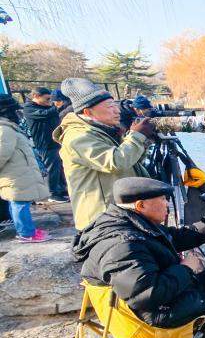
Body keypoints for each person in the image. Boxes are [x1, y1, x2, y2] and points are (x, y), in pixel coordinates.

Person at [73, 177, 205, 338]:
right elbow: (150, 293)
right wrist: (187, 268)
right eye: (163, 200)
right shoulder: (122, 244)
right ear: (141, 205)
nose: (168, 204)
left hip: (151, 303)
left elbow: (175, 237)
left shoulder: (129, 221)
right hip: (150, 319)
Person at [54, 78, 157, 230]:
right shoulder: (78, 136)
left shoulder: (102, 129)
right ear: (87, 111)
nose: (117, 111)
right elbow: (116, 162)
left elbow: (131, 162)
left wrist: (145, 140)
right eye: (110, 107)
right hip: (101, 218)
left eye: (116, 105)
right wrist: (136, 136)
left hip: (116, 212)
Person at [0, 94, 51, 243]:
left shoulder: (8, 127)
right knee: (20, 204)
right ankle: (26, 233)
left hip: (19, 174)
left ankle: (26, 230)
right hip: (15, 176)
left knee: (17, 203)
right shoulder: (4, 129)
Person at [21, 87, 69, 202]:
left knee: (59, 168)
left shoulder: (47, 106)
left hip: (55, 141)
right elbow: (45, 114)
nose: (50, 101)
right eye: (47, 99)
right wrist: (57, 106)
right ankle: (52, 193)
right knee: (51, 168)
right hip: (44, 143)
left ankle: (61, 189)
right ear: (36, 96)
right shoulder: (29, 108)